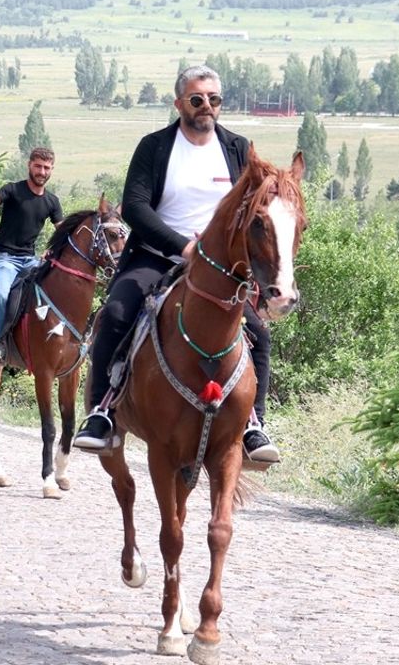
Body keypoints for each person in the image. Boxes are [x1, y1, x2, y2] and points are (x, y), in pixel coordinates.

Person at [72, 65, 279, 463]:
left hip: (220, 269)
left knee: (259, 335)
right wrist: (184, 247)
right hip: (158, 255)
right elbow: (134, 206)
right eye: (197, 99)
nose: (206, 107)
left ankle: (254, 424)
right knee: (116, 313)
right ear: (179, 103)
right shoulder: (155, 146)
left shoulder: (237, 148)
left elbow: (255, 209)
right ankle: (102, 411)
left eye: (214, 100)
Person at [0, 146, 64, 364]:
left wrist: (52, 250)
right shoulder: (13, 190)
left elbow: (62, 233)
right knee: (3, 295)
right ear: (29, 166)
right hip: (4, 258)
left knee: (49, 294)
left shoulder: (52, 202)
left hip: (30, 260)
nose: (42, 172)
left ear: (51, 170)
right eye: (38, 166)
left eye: (46, 168)